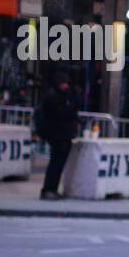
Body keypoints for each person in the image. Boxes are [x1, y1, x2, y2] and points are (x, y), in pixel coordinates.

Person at [33, 69, 79, 198]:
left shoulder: (61, 96)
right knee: (55, 163)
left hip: (62, 135)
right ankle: (49, 189)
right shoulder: (53, 97)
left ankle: (52, 189)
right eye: (64, 83)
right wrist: (72, 107)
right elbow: (61, 114)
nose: (66, 86)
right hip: (58, 135)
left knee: (58, 164)